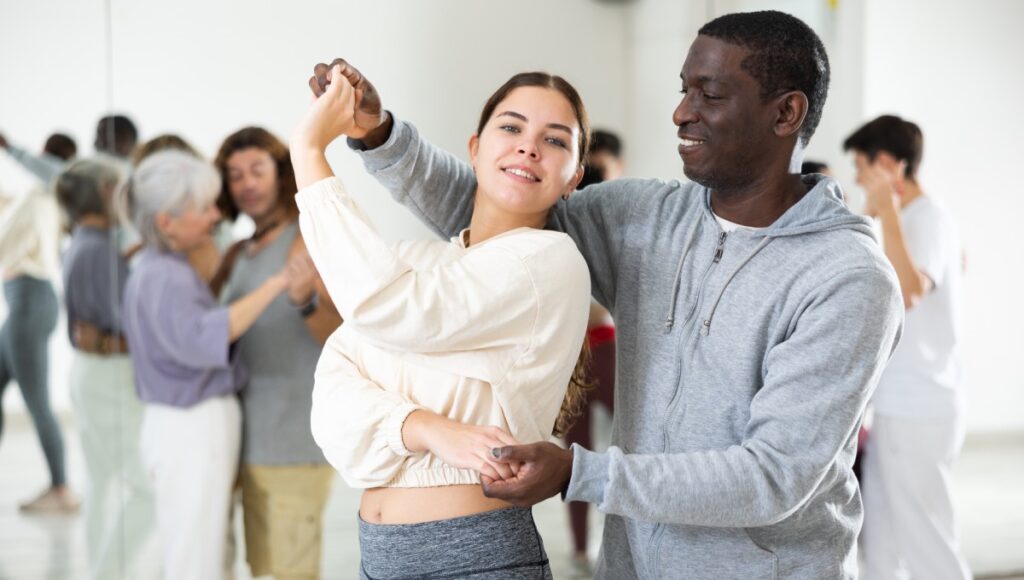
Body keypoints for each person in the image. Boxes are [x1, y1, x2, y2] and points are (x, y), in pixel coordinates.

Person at [312, 9, 905, 579]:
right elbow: (500, 203)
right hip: (630, 567)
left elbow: (772, 476)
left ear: (786, 114)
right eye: (683, 90)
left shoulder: (847, 278)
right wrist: (379, 134)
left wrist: (580, 473)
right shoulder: (646, 219)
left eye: (709, 95)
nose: (680, 113)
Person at [295, 66, 592, 578]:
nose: (528, 147)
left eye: (554, 140)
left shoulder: (550, 261)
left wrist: (308, 150)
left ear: (575, 178)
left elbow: (389, 309)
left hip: (478, 558)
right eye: (512, 127)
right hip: (380, 557)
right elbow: (332, 396)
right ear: (474, 149)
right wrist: (425, 428)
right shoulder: (419, 263)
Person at [120, 150, 292, 580]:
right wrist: (278, 283)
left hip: (179, 426)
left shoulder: (158, 268)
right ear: (166, 222)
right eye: (204, 208)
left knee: (195, 546)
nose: (216, 214)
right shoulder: (165, 275)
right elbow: (205, 337)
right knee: (196, 555)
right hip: (192, 427)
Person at [844, 115, 971, 579]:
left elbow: (911, 290)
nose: (857, 179)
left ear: (886, 165)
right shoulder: (912, 221)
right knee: (882, 540)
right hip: (899, 406)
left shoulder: (927, 217)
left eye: (861, 167)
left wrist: (888, 212)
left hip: (923, 404)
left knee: (927, 540)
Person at [212, 127, 342, 580]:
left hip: (295, 444)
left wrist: (304, 299)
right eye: (234, 175)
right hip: (248, 443)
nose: (246, 183)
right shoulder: (241, 251)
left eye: (257, 171)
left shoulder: (304, 239)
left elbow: (341, 336)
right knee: (263, 569)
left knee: (292, 572)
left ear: (281, 174)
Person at [55, 158, 154, 579]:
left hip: (92, 374)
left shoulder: (86, 242)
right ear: (102, 194)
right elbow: (127, 328)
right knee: (148, 490)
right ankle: (108, 572)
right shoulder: (98, 250)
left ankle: (102, 569)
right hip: (109, 376)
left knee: (100, 481)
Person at [0, 142, 77, 513]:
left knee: (37, 402)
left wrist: (10, 146)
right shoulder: (37, 197)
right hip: (20, 301)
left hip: (31, 301)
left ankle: (61, 489)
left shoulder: (53, 188)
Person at [566, 128, 623, 574]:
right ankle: (581, 548)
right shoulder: (565, 223)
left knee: (635, 444)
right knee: (575, 452)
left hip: (604, 347)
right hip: (573, 355)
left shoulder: (618, 224)